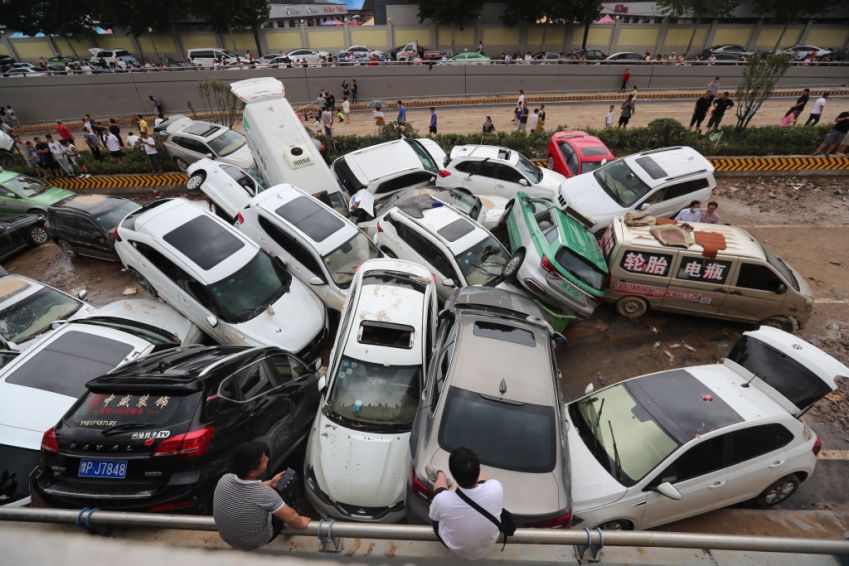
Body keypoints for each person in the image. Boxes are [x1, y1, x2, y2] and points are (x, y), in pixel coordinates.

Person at [213, 441, 310, 552]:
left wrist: (270, 483)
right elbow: (292, 516)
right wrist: (301, 522)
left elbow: (246, 491)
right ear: (252, 473)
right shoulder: (265, 494)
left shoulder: (225, 479)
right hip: (255, 542)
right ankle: (293, 511)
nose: (267, 459)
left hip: (228, 538)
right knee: (289, 480)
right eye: (264, 461)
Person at [428, 447, 504, 560]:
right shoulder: (496, 486)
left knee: (439, 488)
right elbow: (483, 478)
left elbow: (434, 516)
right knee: (484, 479)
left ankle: (441, 476)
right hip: (488, 545)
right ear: (478, 468)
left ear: (454, 475)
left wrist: (440, 476)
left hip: (456, 549)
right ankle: (457, 487)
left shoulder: (441, 500)